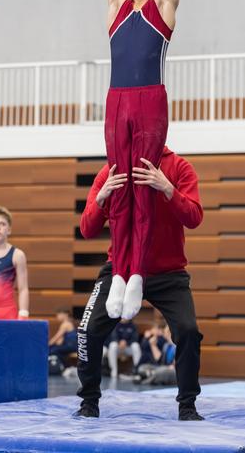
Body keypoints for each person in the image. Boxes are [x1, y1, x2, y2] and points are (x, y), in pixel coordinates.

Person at [101, 0, 181, 320]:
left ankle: (138, 276)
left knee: (143, 185)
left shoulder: (164, 5)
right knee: (119, 186)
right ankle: (119, 270)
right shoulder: (115, 5)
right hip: (116, 100)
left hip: (150, 100)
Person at [75, 146, 204, 421]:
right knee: (87, 330)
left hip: (167, 271)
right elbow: (87, 229)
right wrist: (101, 196)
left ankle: (188, 405)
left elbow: (194, 218)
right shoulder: (110, 170)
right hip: (121, 268)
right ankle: (88, 402)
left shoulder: (179, 167)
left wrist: (168, 188)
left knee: (188, 331)